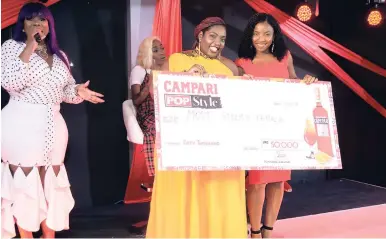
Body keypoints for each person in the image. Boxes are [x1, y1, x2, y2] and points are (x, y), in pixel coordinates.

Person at [1, 3, 104, 238]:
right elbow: (10, 83)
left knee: (51, 185)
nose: (38, 24)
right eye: (31, 20)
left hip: (53, 124)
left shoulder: (59, 56)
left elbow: (64, 90)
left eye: (43, 19)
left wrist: (78, 91)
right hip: (21, 123)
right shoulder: (10, 47)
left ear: (50, 24)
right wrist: (30, 46)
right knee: (25, 184)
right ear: (22, 24)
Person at [145, 17, 246, 238]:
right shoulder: (176, 60)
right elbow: (155, 91)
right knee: (184, 196)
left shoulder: (230, 67)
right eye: (213, 36)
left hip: (222, 149)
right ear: (200, 36)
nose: (218, 43)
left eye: (222, 39)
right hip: (183, 147)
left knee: (219, 197)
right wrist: (184, 77)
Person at [236, 13, 317, 238]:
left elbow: (292, 82)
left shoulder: (285, 57)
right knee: (257, 183)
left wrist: (306, 82)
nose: (261, 39)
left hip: (283, 131)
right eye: (256, 33)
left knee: (278, 182)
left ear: (275, 36)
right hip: (256, 132)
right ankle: (254, 231)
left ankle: (268, 231)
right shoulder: (241, 63)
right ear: (250, 35)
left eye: (267, 34)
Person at [130, 36, 167, 177]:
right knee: (158, 128)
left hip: (164, 111)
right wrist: (151, 83)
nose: (162, 52)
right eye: (156, 50)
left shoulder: (166, 69)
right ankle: (157, 174)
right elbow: (136, 100)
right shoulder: (140, 70)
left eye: (162, 48)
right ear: (148, 53)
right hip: (148, 112)